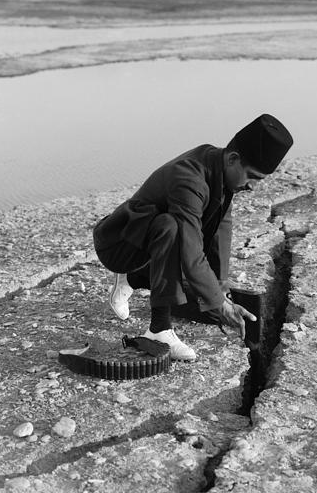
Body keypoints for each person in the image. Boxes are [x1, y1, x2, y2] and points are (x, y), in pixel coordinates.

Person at [92, 114, 293, 361]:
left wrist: (220, 285)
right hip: (119, 245)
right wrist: (219, 303)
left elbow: (222, 227)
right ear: (233, 159)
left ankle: (132, 278)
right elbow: (190, 249)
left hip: (147, 244)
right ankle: (159, 330)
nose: (253, 186)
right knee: (171, 229)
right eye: (252, 176)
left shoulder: (218, 166)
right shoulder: (190, 179)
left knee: (204, 294)